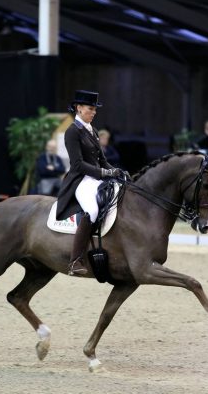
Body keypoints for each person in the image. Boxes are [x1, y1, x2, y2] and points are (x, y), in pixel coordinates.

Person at [56, 90, 121, 276]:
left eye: (95, 109)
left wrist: (116, 172)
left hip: (96, 178)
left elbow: (101, 159)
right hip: (80, 180)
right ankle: (75, 260)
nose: (94, 112)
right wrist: (104, 172)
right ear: (79, 108)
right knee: (92, 210)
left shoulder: (92, 130)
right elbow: (77, 164)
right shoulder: (72, 131)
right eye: (91, 109)